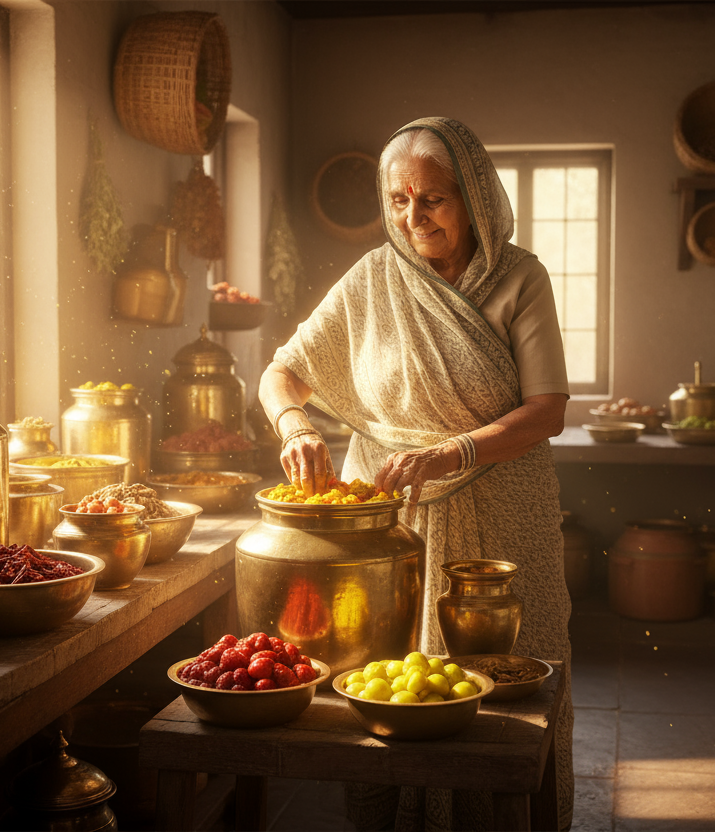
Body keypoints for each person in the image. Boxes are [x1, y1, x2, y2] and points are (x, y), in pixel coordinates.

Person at [259, 117, 574, 831]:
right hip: (386, 520)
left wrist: (452, 452)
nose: (413, 217)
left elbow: (548, 410)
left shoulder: (519, 277)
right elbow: (282, 372)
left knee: (507, 686)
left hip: (499, 511)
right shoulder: (374, 278)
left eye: (432, 199)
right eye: (398, 200)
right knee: (388, 687)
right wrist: (296, 423)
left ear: (475, 199)